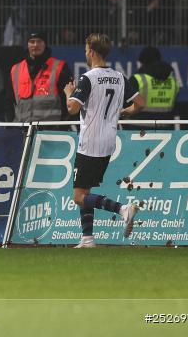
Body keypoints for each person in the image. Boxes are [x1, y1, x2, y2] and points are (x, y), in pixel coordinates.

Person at [64, 33, 145, 248]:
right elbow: (140, 103)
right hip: (108, 141)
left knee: (78, 197)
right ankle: (87, 238)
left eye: (85, 49)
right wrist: (122, 113)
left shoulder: (88, 78)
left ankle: (123, 210)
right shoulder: (119, 77)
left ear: (91, 51)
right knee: (85, 190)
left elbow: (72, 108)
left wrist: (69, 93)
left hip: (89, 142)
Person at [9, 31, 73, 121]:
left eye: (39, 41)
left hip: (50, 131)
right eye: (32, 41)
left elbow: (70, 99)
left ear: (45, 44)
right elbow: (9, 101)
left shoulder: (59, 67)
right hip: (23, 130)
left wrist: (62, 127)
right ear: (27, 44)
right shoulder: (16, 69)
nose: (35, 45)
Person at [131, 46, 179, 121]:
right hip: (166, 128)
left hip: (138, 128)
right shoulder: (173, 80)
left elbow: (127, 105)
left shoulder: (137, 79)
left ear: (143, 63)